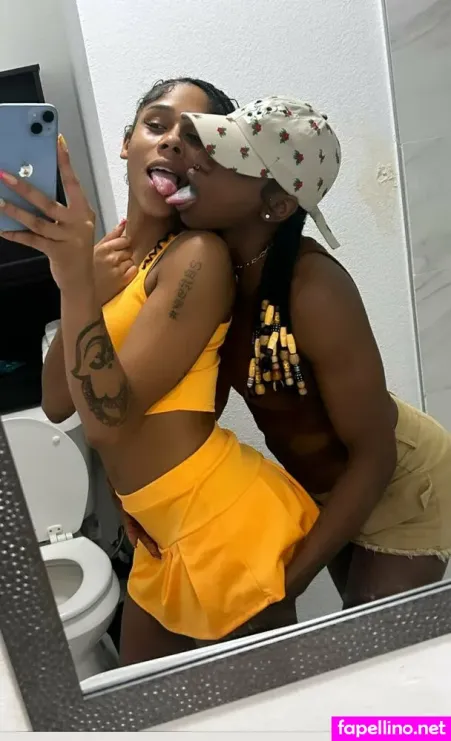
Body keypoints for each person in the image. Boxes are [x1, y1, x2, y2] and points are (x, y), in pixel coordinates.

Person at [0, 80, 323, 667]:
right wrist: (83, 286)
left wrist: (76, 285)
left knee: (276, 705)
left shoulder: (197, 257)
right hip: (157, 536)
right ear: (127, 142)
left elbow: (109, 423)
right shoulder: (112, 259)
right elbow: (57, 403)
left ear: (211, 163)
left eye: (195, 138)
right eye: (157, 124)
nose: (173, 141)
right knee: (140, 701)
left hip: (220, 523)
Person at [171, 96, 451, 609]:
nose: (197, 162)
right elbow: (198, 412)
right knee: (356, 632)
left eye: (224, 159)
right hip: (329, 489)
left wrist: (292, 582)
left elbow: (376, 456)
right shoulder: (216, 271)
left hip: (400, 485)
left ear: (277, 205)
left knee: (370, 642)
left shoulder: (314, 291)